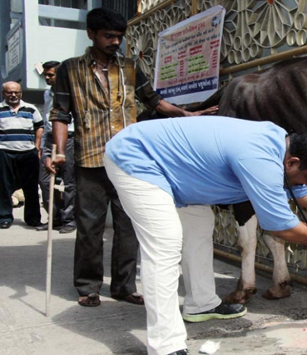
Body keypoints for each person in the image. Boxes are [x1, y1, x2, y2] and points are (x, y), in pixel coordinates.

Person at [103, 116, 307, 355]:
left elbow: (306, 193)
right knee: (165, 245)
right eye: (304, 176)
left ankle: (201, 304)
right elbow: (282, 227)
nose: (303, 184)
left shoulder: (280, 146)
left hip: (177, 173)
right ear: (293, 161)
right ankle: (165, 345)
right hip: (137, 158)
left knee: (200, 226)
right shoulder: (259, 158)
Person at [47, 8, 215, 308]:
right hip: (90, 158)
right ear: (91, 35)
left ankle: (124, 286)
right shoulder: (69, 69)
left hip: (130, 160)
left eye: (119, 37)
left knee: (129, 226)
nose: (115, 42)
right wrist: (58, 151)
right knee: (90, 226)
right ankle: (88, 286)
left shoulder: (128, 67)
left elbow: (155, 101)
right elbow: (60, 114)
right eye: (108, 36)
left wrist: (189, 114)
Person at [37, 61, 76, 234]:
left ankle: (69, 219)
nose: (47, 78)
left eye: (50, 75)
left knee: (69, 182)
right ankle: (54, 217)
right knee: (45, 181)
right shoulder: (47, 93)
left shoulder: (73, 91)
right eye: (45, 75)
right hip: (49, 137)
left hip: (68, 138)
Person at [0, 82, 44, 229]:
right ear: (3, 93)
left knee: (31, 186)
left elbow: (40, 127)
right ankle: (5, 217)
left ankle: (33, 218)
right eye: (9, 92)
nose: (13, 95)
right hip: (5, 152)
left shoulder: (31, 109)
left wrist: (37, 147)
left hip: (28, 153)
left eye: (16, 92)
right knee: (4, 186)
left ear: (21, 94)